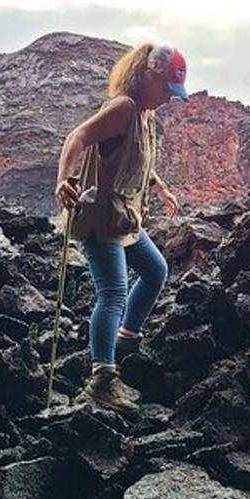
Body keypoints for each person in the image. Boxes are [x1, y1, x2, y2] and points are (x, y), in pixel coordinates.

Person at [54, 42, 189, 416]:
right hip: (100, 217)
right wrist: (63, 179)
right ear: (148, 75)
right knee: (112, 294)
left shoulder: (144, 114)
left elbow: (136, 156)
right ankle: (102, 379)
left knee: (155, 270)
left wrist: (158, 186)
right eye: (166, 89)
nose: (167, 99)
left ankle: (125, 340)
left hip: (125, 217)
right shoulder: (124, 107)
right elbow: (76, 138)